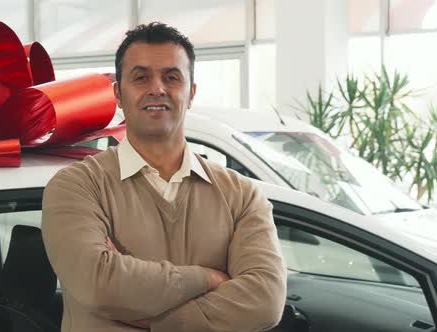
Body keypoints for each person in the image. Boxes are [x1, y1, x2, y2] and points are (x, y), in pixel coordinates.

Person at [42, 22, 287, 332]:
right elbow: (97, 282)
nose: (157, 88)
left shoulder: (241, 195)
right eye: (141, 77)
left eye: (171, 77)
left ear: (191, 92)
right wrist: (207, 279)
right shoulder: (76, 187)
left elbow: (265, 298)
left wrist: (157, 320)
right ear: (118, 93)